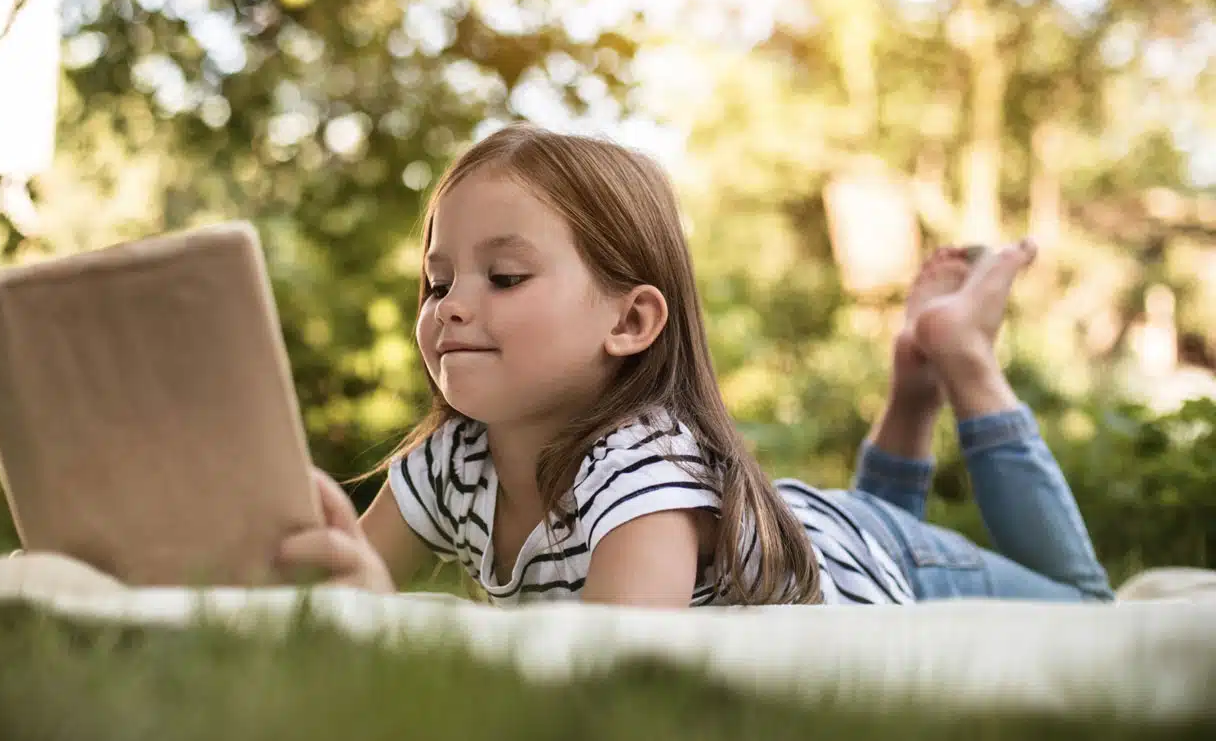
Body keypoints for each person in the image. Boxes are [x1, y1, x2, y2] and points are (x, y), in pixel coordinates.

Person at [277, 124, 1114, 607]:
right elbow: (340, 596)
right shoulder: (450, 461)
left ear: (632, 319)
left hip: (889, 564)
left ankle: (960, 356)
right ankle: (913, 377)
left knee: (1085, 607)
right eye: (437, 279)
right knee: (859, 518)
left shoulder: (641, 470)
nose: (449, 305)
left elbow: (614, 672)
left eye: (504, 276)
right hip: (815, 529)